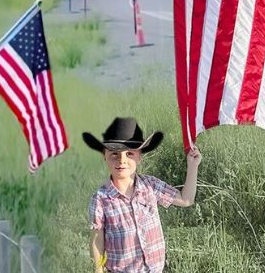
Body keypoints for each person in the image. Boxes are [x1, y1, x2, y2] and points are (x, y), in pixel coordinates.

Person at [83, 117, 202, 273]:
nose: (122, 160)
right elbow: (97, 240)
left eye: (129, 154)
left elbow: (186, 200)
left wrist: (192, 166)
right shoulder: (101, 199)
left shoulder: (150, 186)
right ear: (104, 156)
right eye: (114, 154)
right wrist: (99, 270)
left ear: (140, 157)